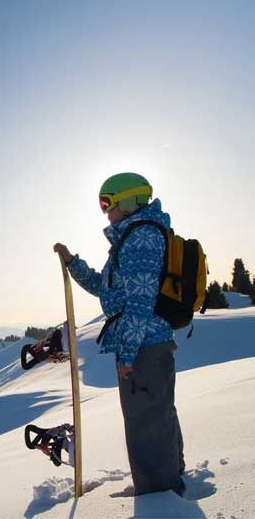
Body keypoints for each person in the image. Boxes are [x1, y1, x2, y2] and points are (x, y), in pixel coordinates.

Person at [53, 172, 185, 496]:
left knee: (146, 426)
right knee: (156, 417)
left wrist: (127, 357)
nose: (104, 211)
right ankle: (169, 484)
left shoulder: (140, 238)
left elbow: (140, 303)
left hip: (144, 347)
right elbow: (106, 288)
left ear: (129, 200)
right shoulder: (130, 239)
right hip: (146, 344)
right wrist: (73, 263)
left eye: (106, 202)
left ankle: (160, 500)